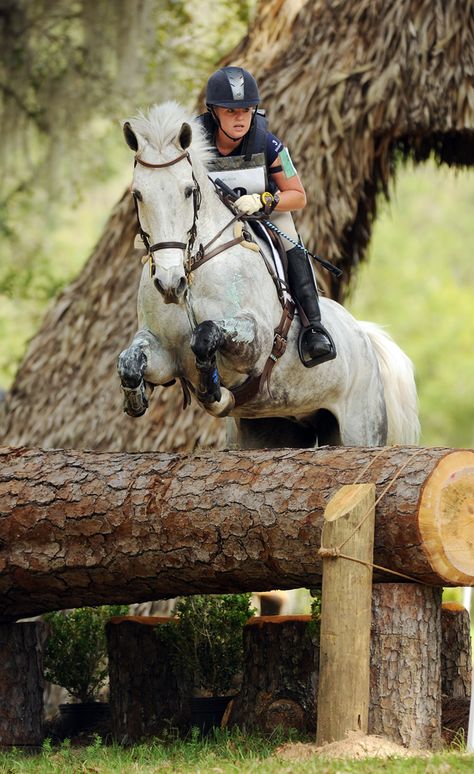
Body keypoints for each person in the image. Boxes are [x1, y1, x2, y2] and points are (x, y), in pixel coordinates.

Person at [197, 65, 335, 367]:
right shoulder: (193, 140)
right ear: (213, 112)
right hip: (210, 220)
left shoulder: (270, 144)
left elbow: (298, 196)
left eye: (246, 110)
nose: (240, 118)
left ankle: (314, 327)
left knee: (292, 242)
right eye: (230, 111)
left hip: (261, 212)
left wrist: (264, 199)